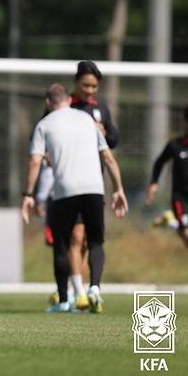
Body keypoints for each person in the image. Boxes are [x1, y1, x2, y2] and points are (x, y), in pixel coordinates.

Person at [22, 83, 128, 313]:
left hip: (64, 192)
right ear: (68, 100)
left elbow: (34, 161)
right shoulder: (87, 120)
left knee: (62, 245)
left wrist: (28, 194)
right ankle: (94, 288)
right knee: (96, 241)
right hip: (94, 188)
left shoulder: (44, 124)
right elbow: (108, 157)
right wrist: (119, 189)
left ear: (48, 103)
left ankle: (63, 300)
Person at [146, 105, 188, 250]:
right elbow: (159, 162)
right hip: (180, 197)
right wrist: (154, 183)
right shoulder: (175, 145)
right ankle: (172, 219)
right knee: (186, 233)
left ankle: (170, 220)